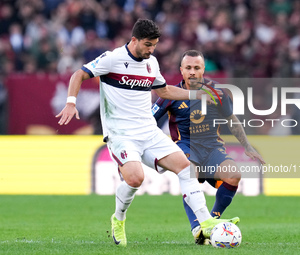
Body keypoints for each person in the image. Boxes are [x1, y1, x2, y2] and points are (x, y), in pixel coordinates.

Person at [56, 19, 232, 247]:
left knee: (188, 169)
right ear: (134, 40)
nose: (151, 50)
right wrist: (71, 102)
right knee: (135, 178)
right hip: (121, 134)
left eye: (155, 45)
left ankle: (206, 221)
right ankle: (118, 219)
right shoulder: (113, 58)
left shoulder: (152, 63)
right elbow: (78, 74)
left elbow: (165, 90)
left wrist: (196, 95)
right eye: (148, 45)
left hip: (148, 131)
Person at [152, 50, 265, 245]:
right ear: (181, 70)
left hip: (213, 147)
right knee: (190, 174)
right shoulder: (170, 94)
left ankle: (211, 221)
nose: (193, 72)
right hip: (186, 146)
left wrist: (247, 145)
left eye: (197, 67)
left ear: (204, 69)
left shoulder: (218, 92)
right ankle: (197, 228)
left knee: (233, 175)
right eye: (188, 68)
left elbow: (231, 119)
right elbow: (149, 121)